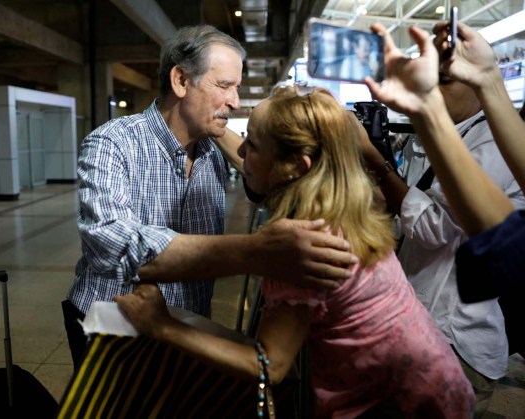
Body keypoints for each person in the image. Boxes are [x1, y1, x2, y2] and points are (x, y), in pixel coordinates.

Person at [115, 86, 474, 418]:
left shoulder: (302, 246)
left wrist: (162, 326)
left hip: (399, 405)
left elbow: (269, 365)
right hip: (440, 385)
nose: (241, 151)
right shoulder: (347, 202)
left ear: (295, 168)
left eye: (252, 145)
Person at [63, 25, 358, 371]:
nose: (234, 101)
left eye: (236, 87)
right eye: (224, 86)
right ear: (181, 81)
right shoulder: (113, 143)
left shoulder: (212, 148)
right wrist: (255, 252)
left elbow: (271, 178)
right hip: (114, 328)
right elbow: (113, 243)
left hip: (186, 326)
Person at [360, 22, 525, 417]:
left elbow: (435, 227)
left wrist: (376, 160)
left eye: (445, 81)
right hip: (419, 323)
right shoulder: (440, 137)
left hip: (456, 336)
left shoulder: (491, 143)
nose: (436, 87)